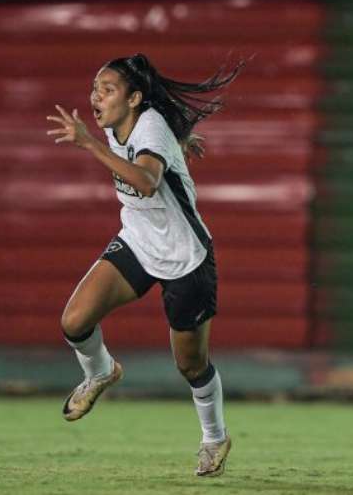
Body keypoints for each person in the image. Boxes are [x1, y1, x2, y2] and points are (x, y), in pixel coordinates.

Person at [47, 53, 241, 477]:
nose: (96, 98)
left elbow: (147, 181)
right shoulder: (126, 124)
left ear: (135, 98)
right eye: (95, 89)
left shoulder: (148, 125)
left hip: (185, 258)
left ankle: (214, 437)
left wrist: (88, 143)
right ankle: (100, 372)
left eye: (108, 90)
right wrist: (181, 143)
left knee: (191, 365)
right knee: (74, 321)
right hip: (137, 242)